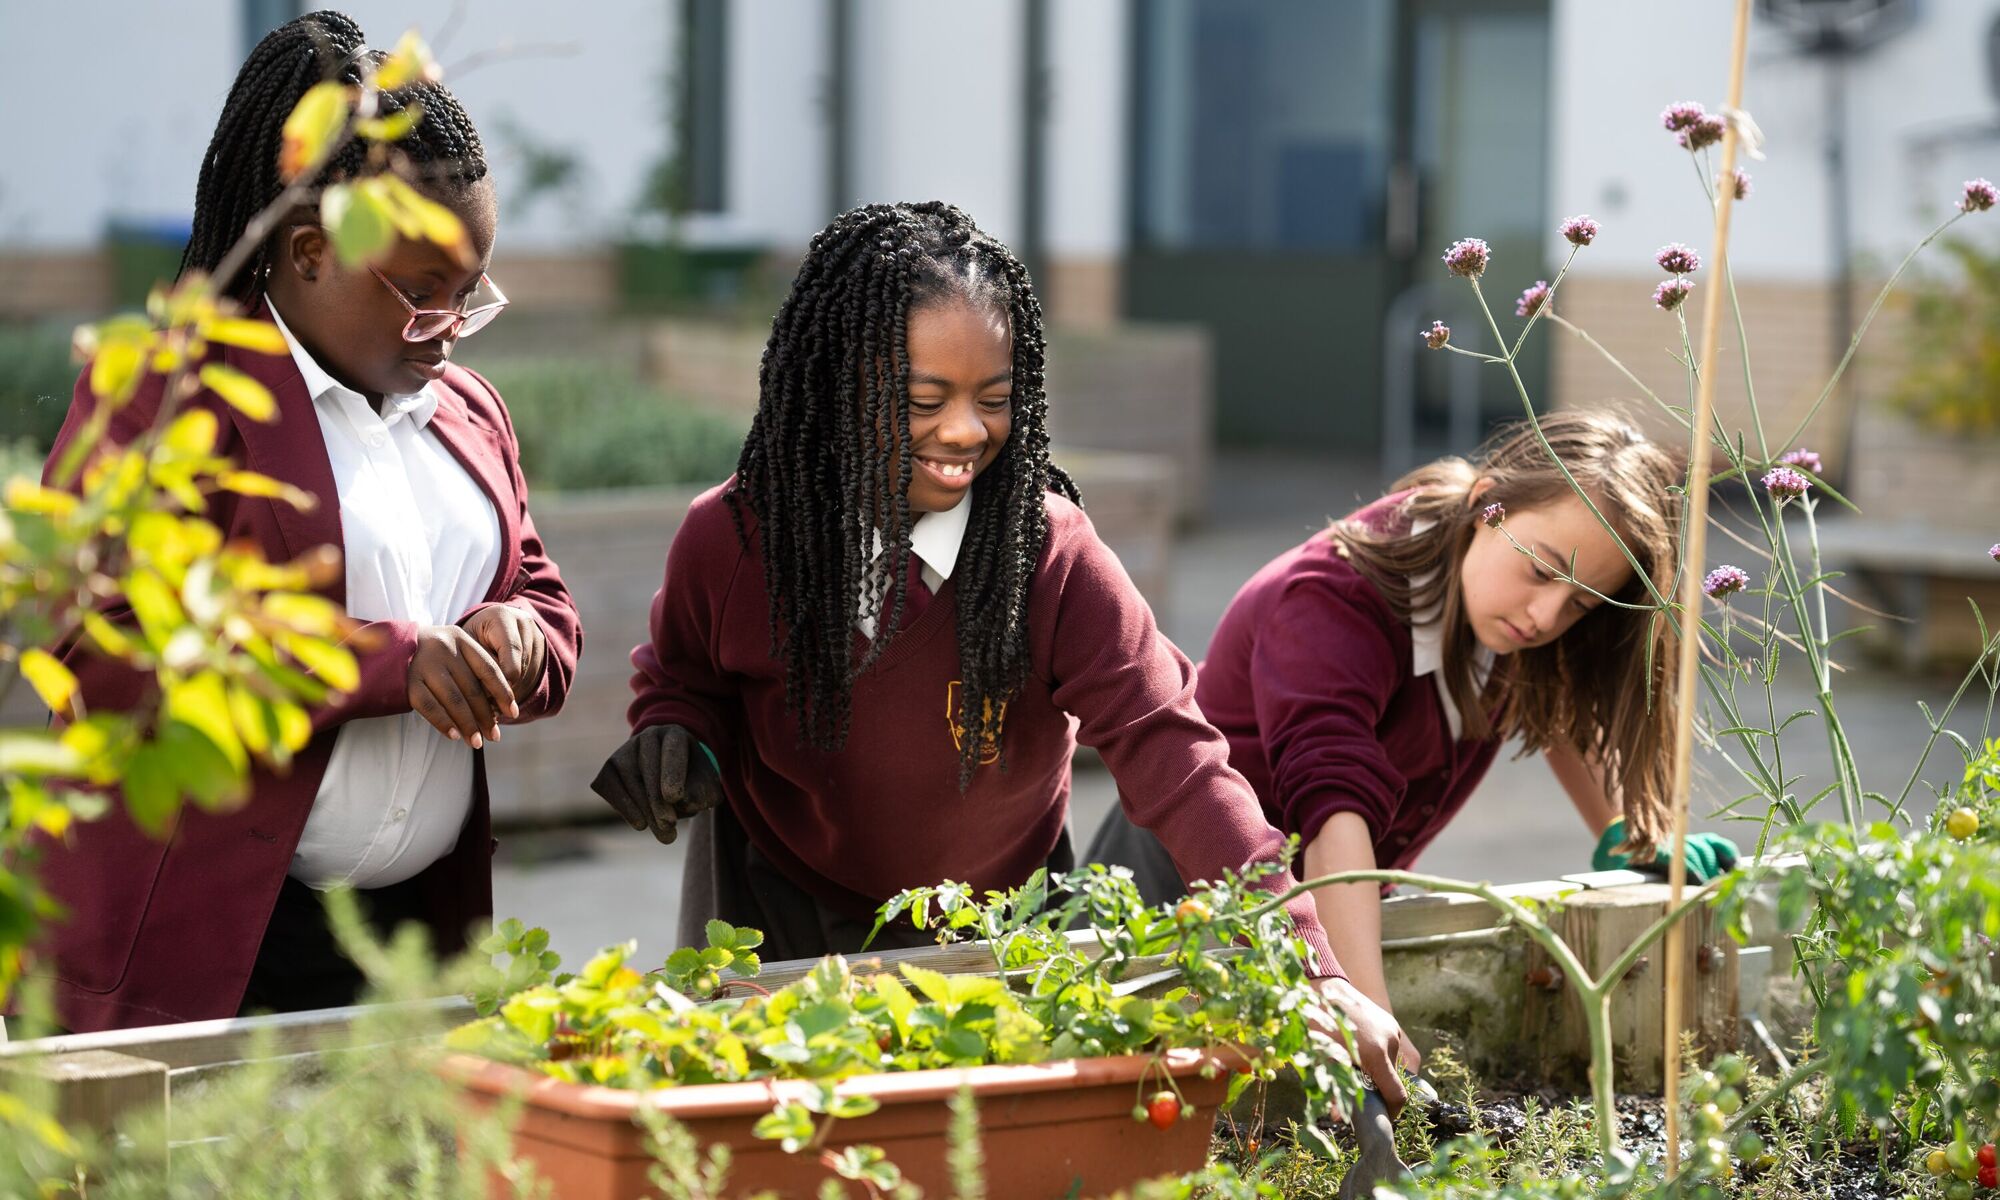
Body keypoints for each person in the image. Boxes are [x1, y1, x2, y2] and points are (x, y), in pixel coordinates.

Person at [591, 200, 1413, 1106]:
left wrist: (1312, 965)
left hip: (1002, 917)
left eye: (994, 400)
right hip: (777, 900)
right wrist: (672, 731)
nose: (966, 434)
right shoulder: (736, 536)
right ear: (833, 387)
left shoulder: (1049, 553)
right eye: (922, 401)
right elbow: (683, 677)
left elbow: (1178, 758)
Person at [34, 10, 579, 1031]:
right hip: (201, 949)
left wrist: (521, 637)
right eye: (423, 295)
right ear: (307, 253)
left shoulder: (467, 413)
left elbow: (539, 592)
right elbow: (100, 648)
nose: (451, 332)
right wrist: (393, 662)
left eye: (471, 295)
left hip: (408, 944)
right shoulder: (172, 398)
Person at [1087, 411, 1738, 1068]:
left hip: (1323, 912)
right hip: (1174, 895)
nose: (1547, 617)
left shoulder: (1501, 598)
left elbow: (1559, 699)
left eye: (1581, 604)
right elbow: (1333, 817)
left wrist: (1629, 832)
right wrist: (1371, 1020)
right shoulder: (1331, 600)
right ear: (1488, 505)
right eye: (1542, 573)